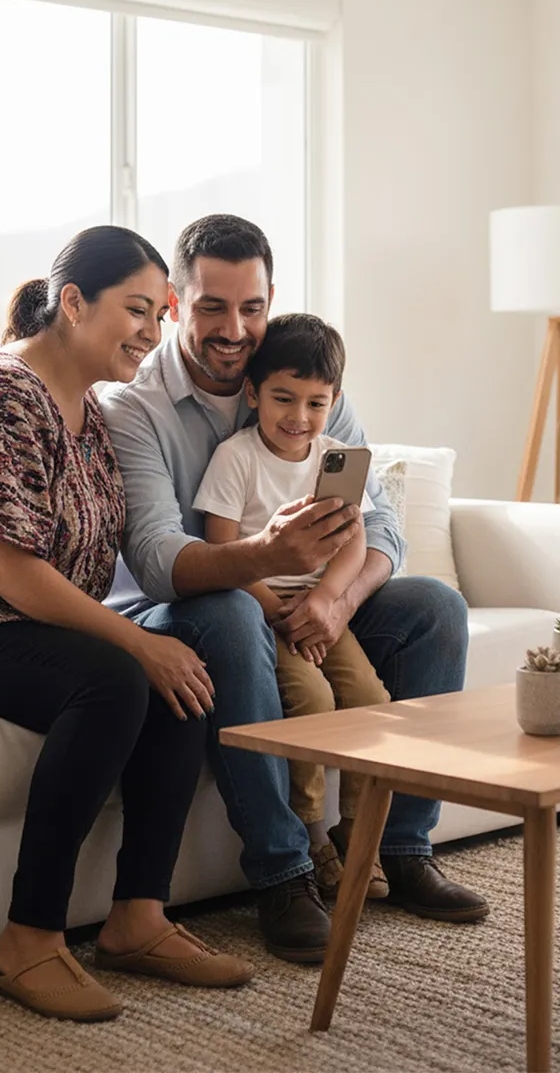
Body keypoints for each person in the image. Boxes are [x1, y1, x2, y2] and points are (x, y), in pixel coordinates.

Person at [0, 226, 253, 1024]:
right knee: (118, 676)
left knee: (176, 665)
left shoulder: (92, 415)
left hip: (15, 623)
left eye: (159, 313)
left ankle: (139, 918)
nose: (152, 330)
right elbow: (2, 567)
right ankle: (27, 940)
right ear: (72, 303)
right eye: (137, 309)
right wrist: (132, 641)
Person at [100, 215, 489, 964]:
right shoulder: (134, 408)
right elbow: (154, 556)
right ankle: (283, 871)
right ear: (178, 302)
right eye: (212, 306)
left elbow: (380, 526)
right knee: (228, 613)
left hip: (307, 604)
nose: (234, 327)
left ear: (270, 299)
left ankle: (401, 846)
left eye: (251, 307)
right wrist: (262, 562)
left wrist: (331, 602)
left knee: (434, 609)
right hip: (189, 613)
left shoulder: (307, 382)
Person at [193, 313, 391, 902]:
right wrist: (281, 615)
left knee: (370, 699)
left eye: (316, 403)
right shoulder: (237, 457)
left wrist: (328, 600)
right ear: (253, 392)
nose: (299, 418)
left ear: (333, 402)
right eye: (283, 398)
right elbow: (221, 544)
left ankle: (359, 832)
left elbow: (355, 536)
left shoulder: (336, 459)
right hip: (259, 601)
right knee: (312, 698)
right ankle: (309, 837)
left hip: (319, 602)